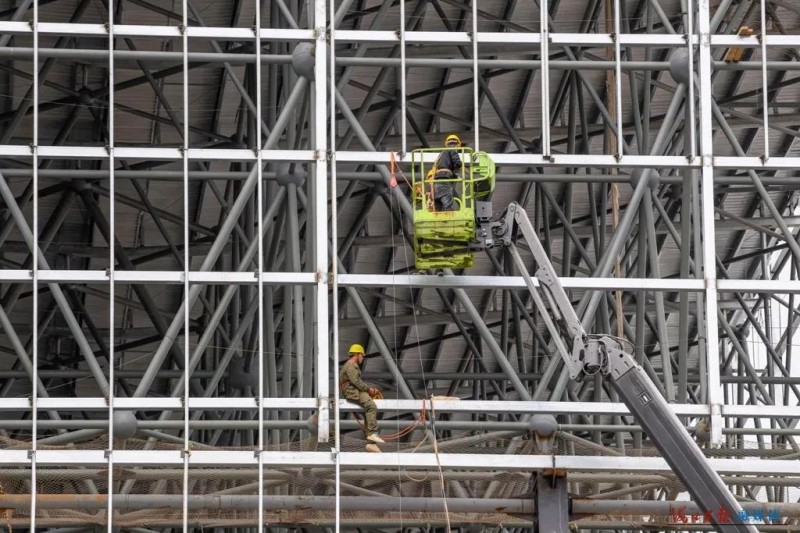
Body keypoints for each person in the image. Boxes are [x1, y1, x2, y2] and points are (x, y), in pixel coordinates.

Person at [340, 343, 384, 450]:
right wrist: (369, 390)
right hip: (353, 391)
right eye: (362, 355)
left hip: (353, 390)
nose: (363, 358)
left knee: (367, 413)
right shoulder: (351, 365)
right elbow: (356, 381)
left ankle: (370, 443)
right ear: (357, 354)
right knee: (371, 406)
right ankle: (372, 434)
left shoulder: (350, 365)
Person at [430, 134, 463, 211]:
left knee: (438, 207)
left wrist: (455, 176)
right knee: (448, 206)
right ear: (457, 145)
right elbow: (457, 162)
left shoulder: (441, 155)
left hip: (437, 182)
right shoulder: (452, 149)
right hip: (444, 180)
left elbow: (443, 167)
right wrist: (459, 168)